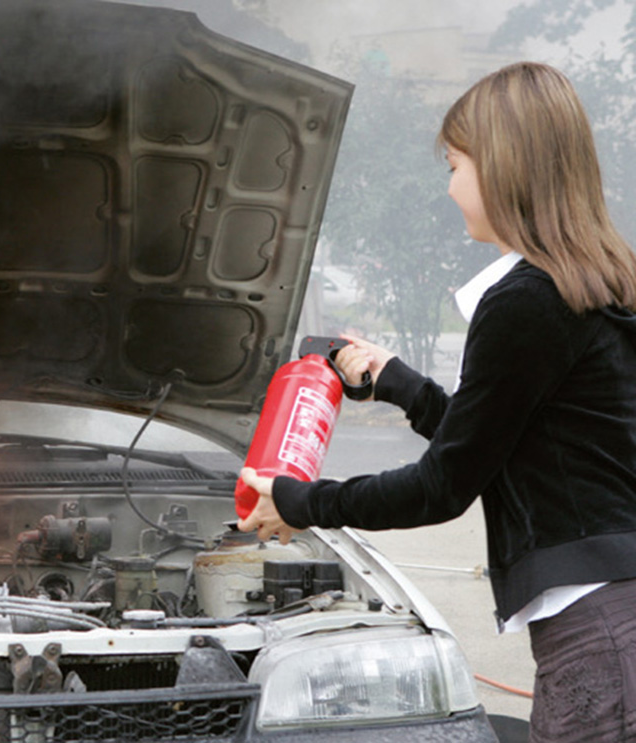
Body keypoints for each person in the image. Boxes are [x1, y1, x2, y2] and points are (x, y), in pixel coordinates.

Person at [237, 61, 636, 742]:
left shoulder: (525, 301)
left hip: (598, 631)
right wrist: (399, 383)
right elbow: (501, 446)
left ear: (505, 166)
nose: (450, 188)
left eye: (456, 165)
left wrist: (302, 500)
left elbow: (445, 485)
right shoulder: (598, 282)